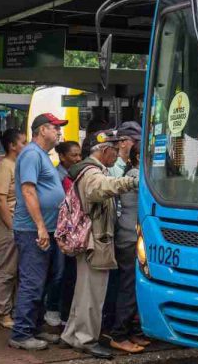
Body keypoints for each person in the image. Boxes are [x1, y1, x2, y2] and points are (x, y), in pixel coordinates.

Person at [60, 130, 138, 359]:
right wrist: (132, 181)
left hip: (90, 239)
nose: (117, 155)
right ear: (105, 150)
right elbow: (103, 188)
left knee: (83, 292)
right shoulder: (92, 173)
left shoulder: (87, 170)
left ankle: (72, 334)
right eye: (115, 150)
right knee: (93, 294)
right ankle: (86, 338)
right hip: (96, 240)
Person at [8, 113, 68, 351]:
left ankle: (34, 327)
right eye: (55, 128)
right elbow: (29, 191)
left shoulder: (41, 155)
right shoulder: (32, 154)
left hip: (47, 229)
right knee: (32, 282)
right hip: (33, 230)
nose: (59, 132)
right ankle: (21, 333)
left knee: (44, 281)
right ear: (42, 130)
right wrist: (41, 227)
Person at [109, 144, 149, 353]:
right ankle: (119, 334)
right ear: (136, 158)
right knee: (128, 287)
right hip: (130, 238)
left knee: (133, 286)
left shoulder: (133, 173)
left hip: (130, 236)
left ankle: (133, 330)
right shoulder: (136, 175)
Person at [0, 128, 27, 329]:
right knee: (7, 268)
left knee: (18, 269)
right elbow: (0, 200)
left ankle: (12, 310)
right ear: (12, 146)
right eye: (23, 142)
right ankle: (2, 312)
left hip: (20, 223)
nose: (26, 145)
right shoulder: (4, 166)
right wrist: (12, 227)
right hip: (8, 223)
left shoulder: (19, 165)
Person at [55, 140, 82, 325]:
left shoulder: (76, 174)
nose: (78, 158)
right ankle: (55, 309)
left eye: (79, 155)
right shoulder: (58, 176)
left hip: (73, 229)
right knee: (60, 272)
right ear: (62, 157)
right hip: (62, 229)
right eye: (73, 155)